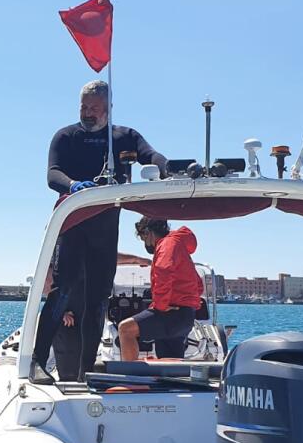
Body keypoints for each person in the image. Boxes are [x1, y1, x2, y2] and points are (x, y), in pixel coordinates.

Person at [32, 79, 168, 381]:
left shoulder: (124, 137)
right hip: (73, 223)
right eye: (83, 107)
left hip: (104, 230)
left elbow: (151, 155)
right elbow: (52, 174)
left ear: (108, 109)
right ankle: (37, 361)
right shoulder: (65, 136)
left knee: (97, 301)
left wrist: (166, 167)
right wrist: (73, 186)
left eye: (94, 108)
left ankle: (87, 370)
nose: (87, 112)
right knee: (62, 292)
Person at [118, 217, 203, 360]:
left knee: (125, 329)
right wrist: (188, 303)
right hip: (185, 315)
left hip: (172, 313)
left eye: (144, 238)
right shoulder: (178, 246)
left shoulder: (166, 244)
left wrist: (160, 307)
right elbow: (198, 285)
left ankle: (130, 373)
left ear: (148, 232)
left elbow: (164, 272)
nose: (145, 243)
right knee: (168, 361)